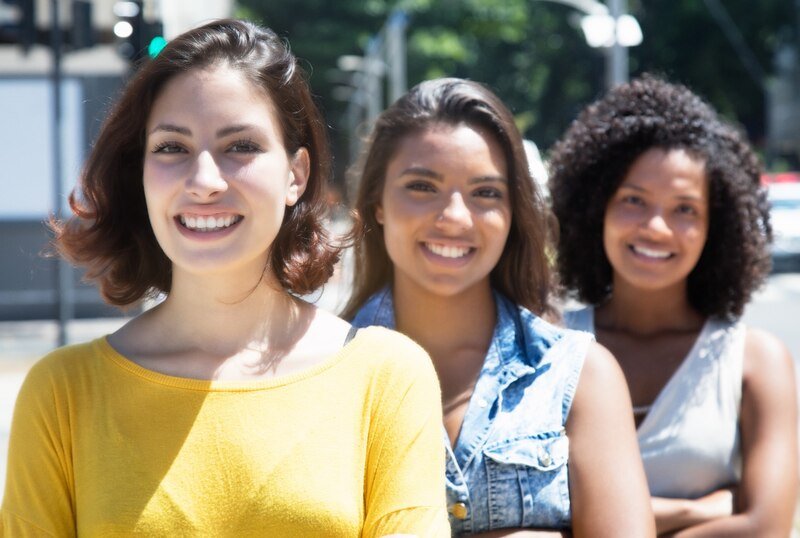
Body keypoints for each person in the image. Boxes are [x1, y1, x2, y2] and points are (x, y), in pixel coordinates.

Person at [1, 19, 449, 537]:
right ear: (139, 175)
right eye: (171, 148)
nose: (205, 182)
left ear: (295, 175)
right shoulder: (62, 393)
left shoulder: (388, 378)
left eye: (241, 146)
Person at [342, 77, 655, 537]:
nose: (454, 217)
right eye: (422, 186)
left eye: (486, 193)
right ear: (377, 204)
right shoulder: (319, 369)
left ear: (512, 214)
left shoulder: (577, 374)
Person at [548, 74, 798, 536]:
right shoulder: (547, 344)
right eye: (634, 200)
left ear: (716, 228)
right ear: (595, 207)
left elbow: (765, 528)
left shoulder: (756, 363)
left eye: (685, 209)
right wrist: (696, 511)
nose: (656, 228)